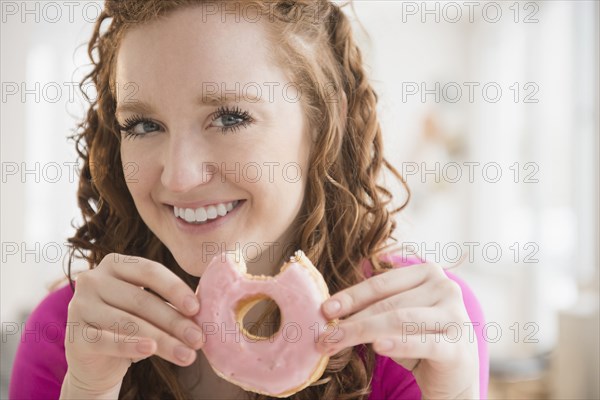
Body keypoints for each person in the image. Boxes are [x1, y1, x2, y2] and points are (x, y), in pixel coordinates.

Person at [9, 1, 489, 399]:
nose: (178, 177)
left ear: (324, 123)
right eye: (143, 125)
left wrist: (456, 392)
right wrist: (88, 389)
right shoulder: (66, 333)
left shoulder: (413, 333)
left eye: (231, 117)